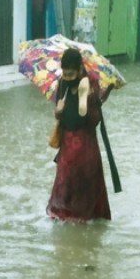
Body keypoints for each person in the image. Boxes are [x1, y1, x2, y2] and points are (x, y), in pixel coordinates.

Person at [46, 48, 111, 221]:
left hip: (85, 143)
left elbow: (95, 119)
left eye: (71, 74)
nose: (67, 77)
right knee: (64, 184)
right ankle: (64, 218)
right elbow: (60, 115)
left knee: (84, 185)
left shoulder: (91, 84)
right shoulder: (62, 84)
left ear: (79, 69)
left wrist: (90, 101)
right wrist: (58, 112)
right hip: (67, 144)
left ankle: (82, 220)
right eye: (64, 74)